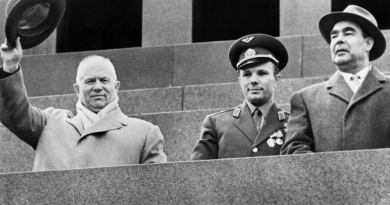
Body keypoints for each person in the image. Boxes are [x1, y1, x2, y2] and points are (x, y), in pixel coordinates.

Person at [0, 38, 167, 171]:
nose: (97, 87)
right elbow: (15, 111)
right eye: (89, 81)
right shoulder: (49, 122)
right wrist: (10, 65)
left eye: (104, 80)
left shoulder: (144, 134)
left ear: (116, 87)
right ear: (77, 89)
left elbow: (158, 191)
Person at [281, 5, 390, 154]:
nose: (338, 40)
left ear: (368, 43)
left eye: (348, 33)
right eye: (334, 36)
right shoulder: (306, 98)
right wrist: (331, 173)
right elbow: (294, 150)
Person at [191, 34, 290, 160]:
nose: (253, 80)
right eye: (247, 74)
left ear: (277, 80)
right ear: (240, 81)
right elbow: (197, 172)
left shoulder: (292, 123)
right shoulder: (216, 123)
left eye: (262, 73)